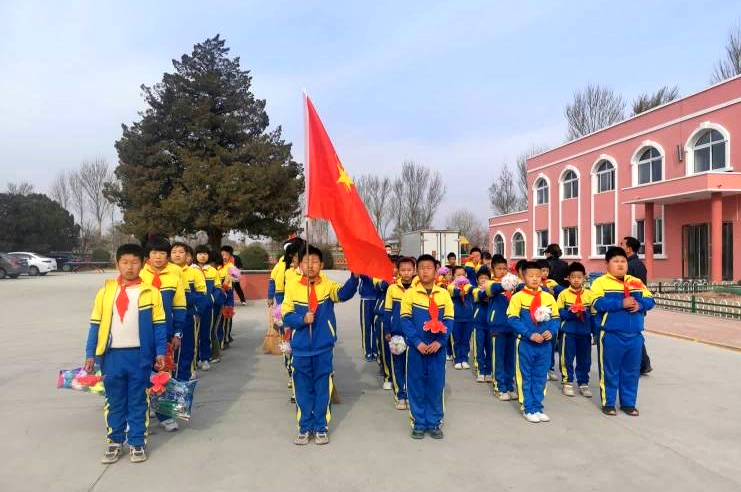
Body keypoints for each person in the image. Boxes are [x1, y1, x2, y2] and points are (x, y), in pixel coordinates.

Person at [85, 243, 167, 463]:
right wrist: (90, 354)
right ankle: (115, 441)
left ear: (142, 264)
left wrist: (160, 352)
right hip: (112, 356)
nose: (129, 267)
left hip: (140, 356)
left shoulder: (150, 292)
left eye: (134, 262)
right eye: (125, 262)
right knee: (115, 401)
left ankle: (137, 442)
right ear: (117, 264)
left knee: (139, 400)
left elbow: (159, 325)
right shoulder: (105, 293)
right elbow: (95, 324)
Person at [282, 246, 359, 445]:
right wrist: (301, 319)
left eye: (315, 261)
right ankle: (304, 427)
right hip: (300, 348)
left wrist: (355, 278)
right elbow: (286, 316)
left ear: (322, 265)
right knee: (302, 389)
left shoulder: (327, 285)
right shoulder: (292, 286)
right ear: (299, 264)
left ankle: (320, 426)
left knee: (323, 387)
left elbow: (344, 294)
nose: (310, 265)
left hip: (323, 347)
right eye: (306, 261)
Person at [591, 247, 655, 417]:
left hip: (634, 335)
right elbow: (597, 303)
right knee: (609, 370)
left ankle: (628, 404)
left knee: (632, 371)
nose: (620, 264)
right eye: (616, 261)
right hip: (611, 334)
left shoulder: (635, 282)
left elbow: (650, 299)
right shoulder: (600, 282)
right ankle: (609, 403)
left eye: (623, 261)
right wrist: (621, 303)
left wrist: (640, 305)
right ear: (607, 264)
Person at [401, 254, 454, 439]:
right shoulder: (410, 294)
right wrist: (417, 342)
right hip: (417, 350)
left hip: (437, 350)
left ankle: (434, 422)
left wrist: (440, 342)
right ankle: (419, 422)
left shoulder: (444, 294)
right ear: (417, 271)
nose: (425, 271)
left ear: (435, 270)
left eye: (429, 267)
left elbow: (449, 319)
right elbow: (405, 320)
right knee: (416, 385)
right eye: (421, 267)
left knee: (435, 385)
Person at [140, 237, 186, 432]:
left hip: (165, 335)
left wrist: (177, 333)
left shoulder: (174, 277)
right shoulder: (139, 276)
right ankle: (144, 412)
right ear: (147, 256)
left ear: (167, 256)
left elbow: (180, 307)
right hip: (141, 336)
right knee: (141, 374)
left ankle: (165, 415)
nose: (158, 257)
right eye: (154, 253)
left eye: (162, 253)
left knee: (164, 374)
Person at [507, 261, 560, 423]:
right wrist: (529, 334)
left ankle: (537, 406)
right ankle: (527, 407)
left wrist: (551, 331)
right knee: (525, 376)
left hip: (544, 344)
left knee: (540, 375)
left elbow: (556, 318)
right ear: (523, 276)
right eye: (531, 276)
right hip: (525, 343)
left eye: (538, 275)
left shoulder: (548, 297)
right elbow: (513, 319)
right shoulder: (518, 297)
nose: (535, 279)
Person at [556, 262, 594, 397]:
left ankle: (583, 382)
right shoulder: (563, 294)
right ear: (568, 278)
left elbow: (594, 315)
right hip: (569, 332)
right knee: (567, 358)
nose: (576, 279)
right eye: (573, 277)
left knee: (585, 359)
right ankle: (567, 381)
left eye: (579, 277)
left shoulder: (590, 294)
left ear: (584, 278)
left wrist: (594, 332)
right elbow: (559, 313)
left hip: (584, 332)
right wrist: (572, 313)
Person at [170, 242, 206, 381]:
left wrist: (196, 311)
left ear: (188, 256)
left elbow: (202, 295)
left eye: (181, 252)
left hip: (187, 315)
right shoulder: (166, 272)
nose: (177, 254)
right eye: (174, 252)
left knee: (186, 349)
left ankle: (185, 378)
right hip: (167, 318)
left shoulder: (194, 272)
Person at [384, 256, 417, 410]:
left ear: (414, 270)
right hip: (397, 334)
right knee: (397, 365)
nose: (406, 273)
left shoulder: (418, 288)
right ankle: (400, 395)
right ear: (398, 270)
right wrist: (387, 330)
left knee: (412, 366)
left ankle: (411, 395)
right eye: (403, 270)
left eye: (409, 270)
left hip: (414, 335)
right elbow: (387, 311)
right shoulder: (392, 288)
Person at [482, 256, 517, 400]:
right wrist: (506, 283)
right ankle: (499, 386)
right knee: (498, 358)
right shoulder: (491, 284)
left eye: (504, 269)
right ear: (492, 270)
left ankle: (509, 385)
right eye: (499, 269)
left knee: (510, 359)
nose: (502, 271)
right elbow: (494, 289)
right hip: (497, 327)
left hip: (513, 327)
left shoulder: (514, 285)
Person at [620, 236, 653, 375]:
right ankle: (643, 364)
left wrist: (637, 304)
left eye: (622, 244)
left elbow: (638, 288)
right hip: (632, 305)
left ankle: (643, 364)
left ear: (628, 249)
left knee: (633, 336)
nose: (620, 246)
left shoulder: (633, 265)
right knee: (633, 335)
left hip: (633, 305)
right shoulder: (633, 264)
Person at [193, 245, 218, 370]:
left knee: (205, 333)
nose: (202, 256)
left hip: (208, 308)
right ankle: (194, 359)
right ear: (195, 255)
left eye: (205, 254)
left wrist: (211, 299)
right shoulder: (191, 270)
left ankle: (205, 359)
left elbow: (218, 288)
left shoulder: (212, 271)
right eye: (200, 253)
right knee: (193, 335)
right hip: (194, 308)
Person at [447, 265, 475, 370]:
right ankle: (457, 359)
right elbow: (456, 292)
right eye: (458, 275)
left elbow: (474, 291)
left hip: (468, 318)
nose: (461, 277)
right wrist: (461, 289)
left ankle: (464, 359)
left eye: (463, 274)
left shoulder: (469, 286)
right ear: (453, 276)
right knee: (456, 340)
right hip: (456, 318)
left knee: (466, 340)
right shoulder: (451, 287)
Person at [471, 269, 492, 383]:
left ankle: (488, 371)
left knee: (489, 348)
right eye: (481, 278)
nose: (484, 280)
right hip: (478, 324)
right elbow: (481, 296)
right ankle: (481, 371)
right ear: (477, 280)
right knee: (479, 348)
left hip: (490, 324)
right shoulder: (475, 290)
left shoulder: (493, 290)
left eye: (486, 278)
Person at [217, 249, 236, 348]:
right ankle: (221, 338)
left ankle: (226, 339)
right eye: (222, 254)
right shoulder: (218, 266)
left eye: (226, 254)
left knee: (227, 316)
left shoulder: (231, 267)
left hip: (227, 292)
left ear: (230, 256)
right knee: (220, 317)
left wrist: (224, 287)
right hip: (219, 291)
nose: (224, 256)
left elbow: (231, 280)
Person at [358, 275, 379, 362]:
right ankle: (367, 351)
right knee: (366, 327)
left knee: (375, 328)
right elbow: (361, 275)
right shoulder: (364, 268)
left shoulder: (379, 268)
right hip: (365, 300)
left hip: (376, 299)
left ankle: (375, 350)